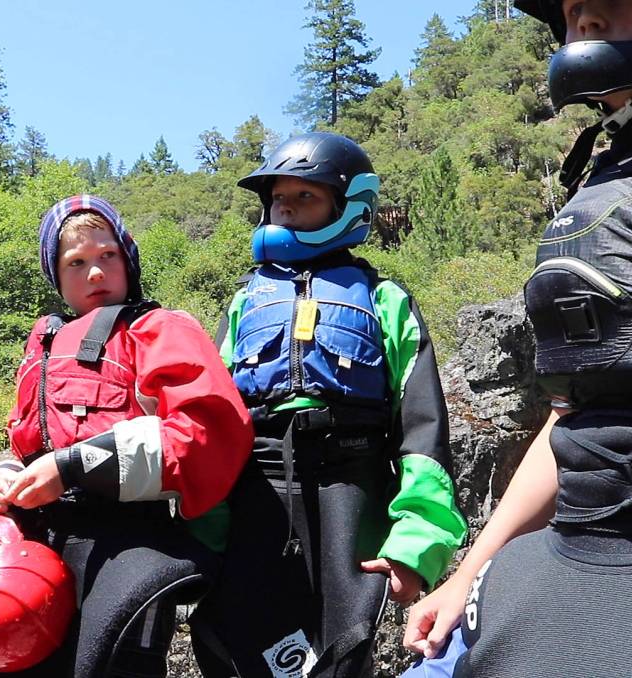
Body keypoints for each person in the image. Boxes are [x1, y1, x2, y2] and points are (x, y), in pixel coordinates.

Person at [402, 0, 632, 676]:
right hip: (573, 544)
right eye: (574, 7)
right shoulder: (597, 184)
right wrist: (468, 575)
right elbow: (573, 416)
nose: (588, 20)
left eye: (614, 0)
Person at [189, 132, 467, 678]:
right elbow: (213, 425)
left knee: (343, 651)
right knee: (244, 649)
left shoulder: (386, 300)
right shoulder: (245, 303)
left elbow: (423, 430)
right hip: (259, 493)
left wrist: (416, 546)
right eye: (278, 199)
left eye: (305, 196)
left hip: (352, 490)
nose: (285, 209)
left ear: (349, 206)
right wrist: (204, 535)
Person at [0, 194, 254, 677]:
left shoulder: (159, 329)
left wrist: (73, 467)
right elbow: (31, 447)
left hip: (132, 534)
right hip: (45, 537)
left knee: (106, 661)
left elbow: (208, 434)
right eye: (76, 262)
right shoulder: (46, 341)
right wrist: (7, 477)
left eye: (107, 255)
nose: (94, 272)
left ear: (128, 258)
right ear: (55, 275)